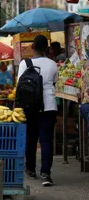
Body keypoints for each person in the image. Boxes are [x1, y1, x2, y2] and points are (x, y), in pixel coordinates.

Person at [17, 34, 58, 186]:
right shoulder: (52, 64)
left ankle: (30, 169)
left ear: (32, 47)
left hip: (30, 107)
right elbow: (54, 83)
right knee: (46, 140)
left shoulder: (24, 63)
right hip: (48, 106)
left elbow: (19, 86)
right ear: (47, 49)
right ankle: (46, 174)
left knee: (30, 138)